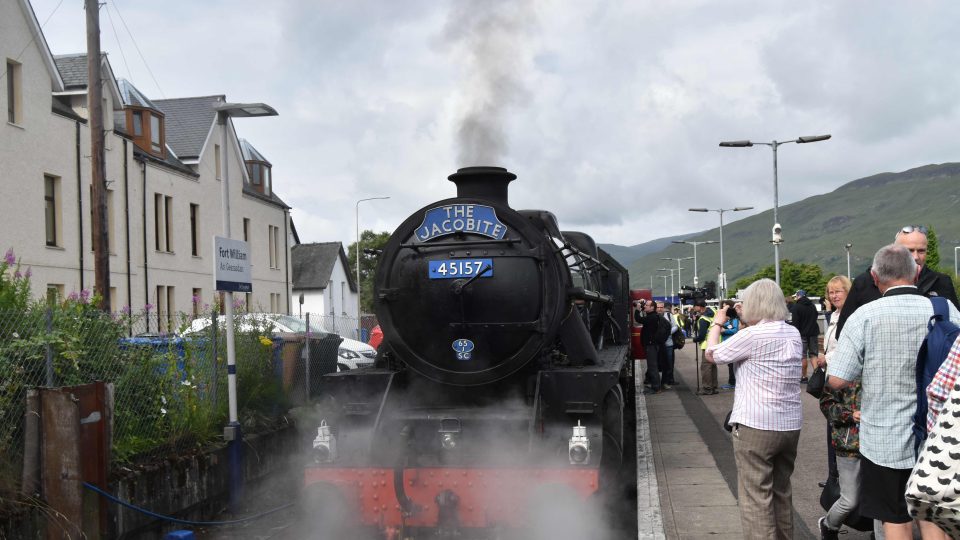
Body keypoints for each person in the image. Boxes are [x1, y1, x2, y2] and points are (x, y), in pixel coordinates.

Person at [828, 244, 960, 540]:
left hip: (883, 438)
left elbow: (836, 380)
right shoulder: (945, 309)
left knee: (894, 518)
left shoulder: (864, 315)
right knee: (932, 516)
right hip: (939, 436)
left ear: (875, 277)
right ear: (916, 273)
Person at [704, 278, 803, 539]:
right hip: (790, 425)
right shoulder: (792, 332)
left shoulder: (751, 335)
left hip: (756, 425)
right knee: (781, 492)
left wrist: (717, 321)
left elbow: (712, 354)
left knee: (755, 498)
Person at [836, 225, 959, 338]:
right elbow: (844, 331)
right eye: (909, 251)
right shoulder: (865, 282)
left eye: (921, 251)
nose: (915, 257)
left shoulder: (941, 282)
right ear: (894, 250)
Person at [813, 276, 853, 490]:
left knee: (838, 423)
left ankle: (838, 477)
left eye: (838, 291)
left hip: (842, 378)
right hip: (831, 374)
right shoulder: (834, 315)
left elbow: (848, 348)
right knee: (831, 423)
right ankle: (833, 475)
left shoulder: (850, 317)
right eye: (831, 292)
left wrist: (826, 358)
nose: (834, 295)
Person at [791, 289, 820, 383]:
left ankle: (804, 377)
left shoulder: (796, 307)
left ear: (799, 296)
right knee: (814, 355)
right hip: (813, 333)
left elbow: (795, 323)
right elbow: (816, 317)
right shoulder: (812, 306)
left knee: (803, 356)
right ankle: (817, 377)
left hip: (802, 334)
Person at [691, 298, 718, 395]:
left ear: (699, 307)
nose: (693, 308)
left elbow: (702, 335)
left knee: (706, 367)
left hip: (707, 344)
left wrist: (695, 339)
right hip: (716, 342)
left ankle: (707, 388)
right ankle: (714, 387)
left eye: (694, 306)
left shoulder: (703, 319)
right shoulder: (714, 311)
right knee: (713, 366)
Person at [638, 299, 663, 394]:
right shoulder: (652, 316)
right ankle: (654, 386)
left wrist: (637, 309)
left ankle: (656, 388)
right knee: (652, 366)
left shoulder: (652, 317)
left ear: (652, 307)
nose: (645, 306)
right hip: (651, 345)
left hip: (651, 346)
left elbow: (639, 319)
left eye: (647, 305)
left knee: (652, 367)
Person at [720, 300, 741, 389]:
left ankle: (732, 383)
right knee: (730, 365)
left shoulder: (734, 320)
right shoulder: (728, 319)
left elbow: (735, 330)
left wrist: (725, 330)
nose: (724, 309)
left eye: (726, 307)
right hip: (727, 344)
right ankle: (732, 382)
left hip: (732, 345)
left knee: (732, 365)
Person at [657, 301, 678, 388]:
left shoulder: (669, 315)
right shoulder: (655, 316)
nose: (660, 309)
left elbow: (675, 326)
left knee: (669, 363)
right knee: (658, 363)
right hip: (658, 344)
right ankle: (658, 381)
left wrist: (667, 333)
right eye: (658, 307)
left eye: (661, 307)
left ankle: (668, 380)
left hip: (668, 344)